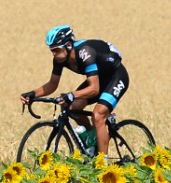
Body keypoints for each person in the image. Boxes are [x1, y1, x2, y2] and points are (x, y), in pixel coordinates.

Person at [20, 25, 129, 156]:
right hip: (99, 78)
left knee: (98, 115)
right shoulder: (59, 59)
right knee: (72, 107)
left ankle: (103, 166)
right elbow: (52, 84)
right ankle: (92, 138)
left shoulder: (85, 53)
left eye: (57, 50)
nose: (54, 54)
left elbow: (94, 89)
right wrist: (33, 94)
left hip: (116, 76)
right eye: (52, 50)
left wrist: (71, 94)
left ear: (69, 45)